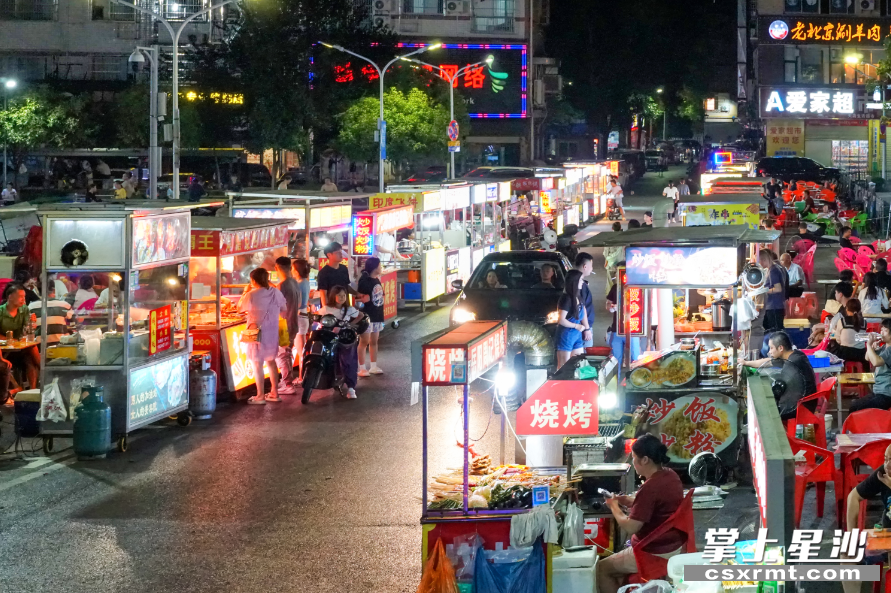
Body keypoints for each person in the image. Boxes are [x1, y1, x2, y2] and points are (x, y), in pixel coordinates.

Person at [597, 434, 685, 593]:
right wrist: (626, 500)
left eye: (634, 458)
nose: (633, 463)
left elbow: (631, 526)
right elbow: (654, 504)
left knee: (602, 568)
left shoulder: (650, 487)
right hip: (673, 542)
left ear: (645, 460)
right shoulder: (670, 475)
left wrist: (613, 506)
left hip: (654, 550)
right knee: (615, 567)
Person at [237, 267, 288, 404]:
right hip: (272, 332)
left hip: (256, 333)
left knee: (257, 363)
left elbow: (240, 309)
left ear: (253, 280)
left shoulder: (252, 294)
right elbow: (284, 309)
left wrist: (245, 292)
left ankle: (260, 396)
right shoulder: (275, 293)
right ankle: (274, 393)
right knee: (271, 362)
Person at [740, 331, 816, 419]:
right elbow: (768, 362)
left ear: (780, 348)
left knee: (754, 414)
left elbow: (783, 391)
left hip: (800, 408)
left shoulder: (792, 364)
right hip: (803, 402)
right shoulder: (795, 354)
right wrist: (745, 362)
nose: (769, 351)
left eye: (771, 348)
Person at [323, 285, 365, 399]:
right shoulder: (326, 308)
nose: (342, 298)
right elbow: (317, 316)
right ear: (333, 296)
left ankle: (351, 388)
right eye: (339, 295)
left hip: (344, 338)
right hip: (329, 337)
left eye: (343, 296)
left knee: (348, 360)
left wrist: (351, 324)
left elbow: (361, 315)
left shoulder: (349, 309)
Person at [0, 284, 39, 390]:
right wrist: (10, 339)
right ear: (10, 297)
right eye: (20, 296)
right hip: (3, 349)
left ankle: (33, 390)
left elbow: (26, 331)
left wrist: (32, 323)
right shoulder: (1, 312)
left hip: (19, 347)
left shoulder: (24, 310)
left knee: (30, 359)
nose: (23, 299)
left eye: (24, 297)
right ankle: (17, 387)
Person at [273, 256, 302, 395]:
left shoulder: (282, 285)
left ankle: (287, 384)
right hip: (293, 322)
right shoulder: (294, 282)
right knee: (287, 353)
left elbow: (276, 307)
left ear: (276, 268)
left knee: (282, 355)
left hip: (283, 325)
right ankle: (287, 380)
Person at [850, 320, 891, 412]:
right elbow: (867, 358)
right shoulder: (884, 347)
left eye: (885, 330)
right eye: (881, 330)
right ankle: (854, 426)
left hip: (887, 394)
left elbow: (876, 362)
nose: (881, 333)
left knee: (860, 409)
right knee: (854, 406)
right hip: (878, 391)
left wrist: (868, 345)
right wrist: (871, 348)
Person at [606, 267, 641, 370]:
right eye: (616, 273)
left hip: (632, 330)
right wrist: (611, 307)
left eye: (618, 273)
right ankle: (615, 384)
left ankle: (634, 383)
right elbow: (608, 303)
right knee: (615, 361)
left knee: (635, 361)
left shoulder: (636, 288)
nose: (616, 276)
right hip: (616, 329)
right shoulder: (615, 288)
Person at [555, 269, 590, 368]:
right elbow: (561, 320)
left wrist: (585, 328)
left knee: (579, 364)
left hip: (576, 335)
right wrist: (576, 326)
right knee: (563, 367)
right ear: (574, 282)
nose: (582, 282)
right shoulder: (566, 299)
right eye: (581, 280)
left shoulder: (578, 296)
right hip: (566, 335)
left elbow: (583, 312)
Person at [357, 257, 385, 376]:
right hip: (367, 315)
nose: (381, 267)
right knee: (364, 342)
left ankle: (373, 366)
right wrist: (363, 299)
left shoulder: (376, 280)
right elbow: (358, 298)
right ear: (374, 267)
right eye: (379, 265)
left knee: (374, 341)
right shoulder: (364, 281)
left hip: (377, 314)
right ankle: (362, 368)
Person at [291, 258, 311, 376]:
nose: (292, 271)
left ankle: (301, 376)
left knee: (300, 349)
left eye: (293, 269)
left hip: (299, 316)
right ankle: (302, 375)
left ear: (297, 270)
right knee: (301, 348)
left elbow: (297, 303)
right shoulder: (305, 282)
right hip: (303, 316)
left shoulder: (299, 284)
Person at [759, 250, 787, 333]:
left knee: (776, 332)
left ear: (763, 260)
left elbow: (778, 288)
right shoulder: (770, 269)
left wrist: (764, 290)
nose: (759, 264)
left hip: (774, 307)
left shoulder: (773, 271)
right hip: (771, 306)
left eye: (759, 261)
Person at [576, 252, 595, 348]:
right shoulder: (580, 285)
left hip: (581, 327)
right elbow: (582, 308)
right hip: (583, 328)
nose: (592, 269)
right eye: (591, 266)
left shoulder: (574, 282)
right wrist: (587, 329)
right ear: (585, 266)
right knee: (584, 358)